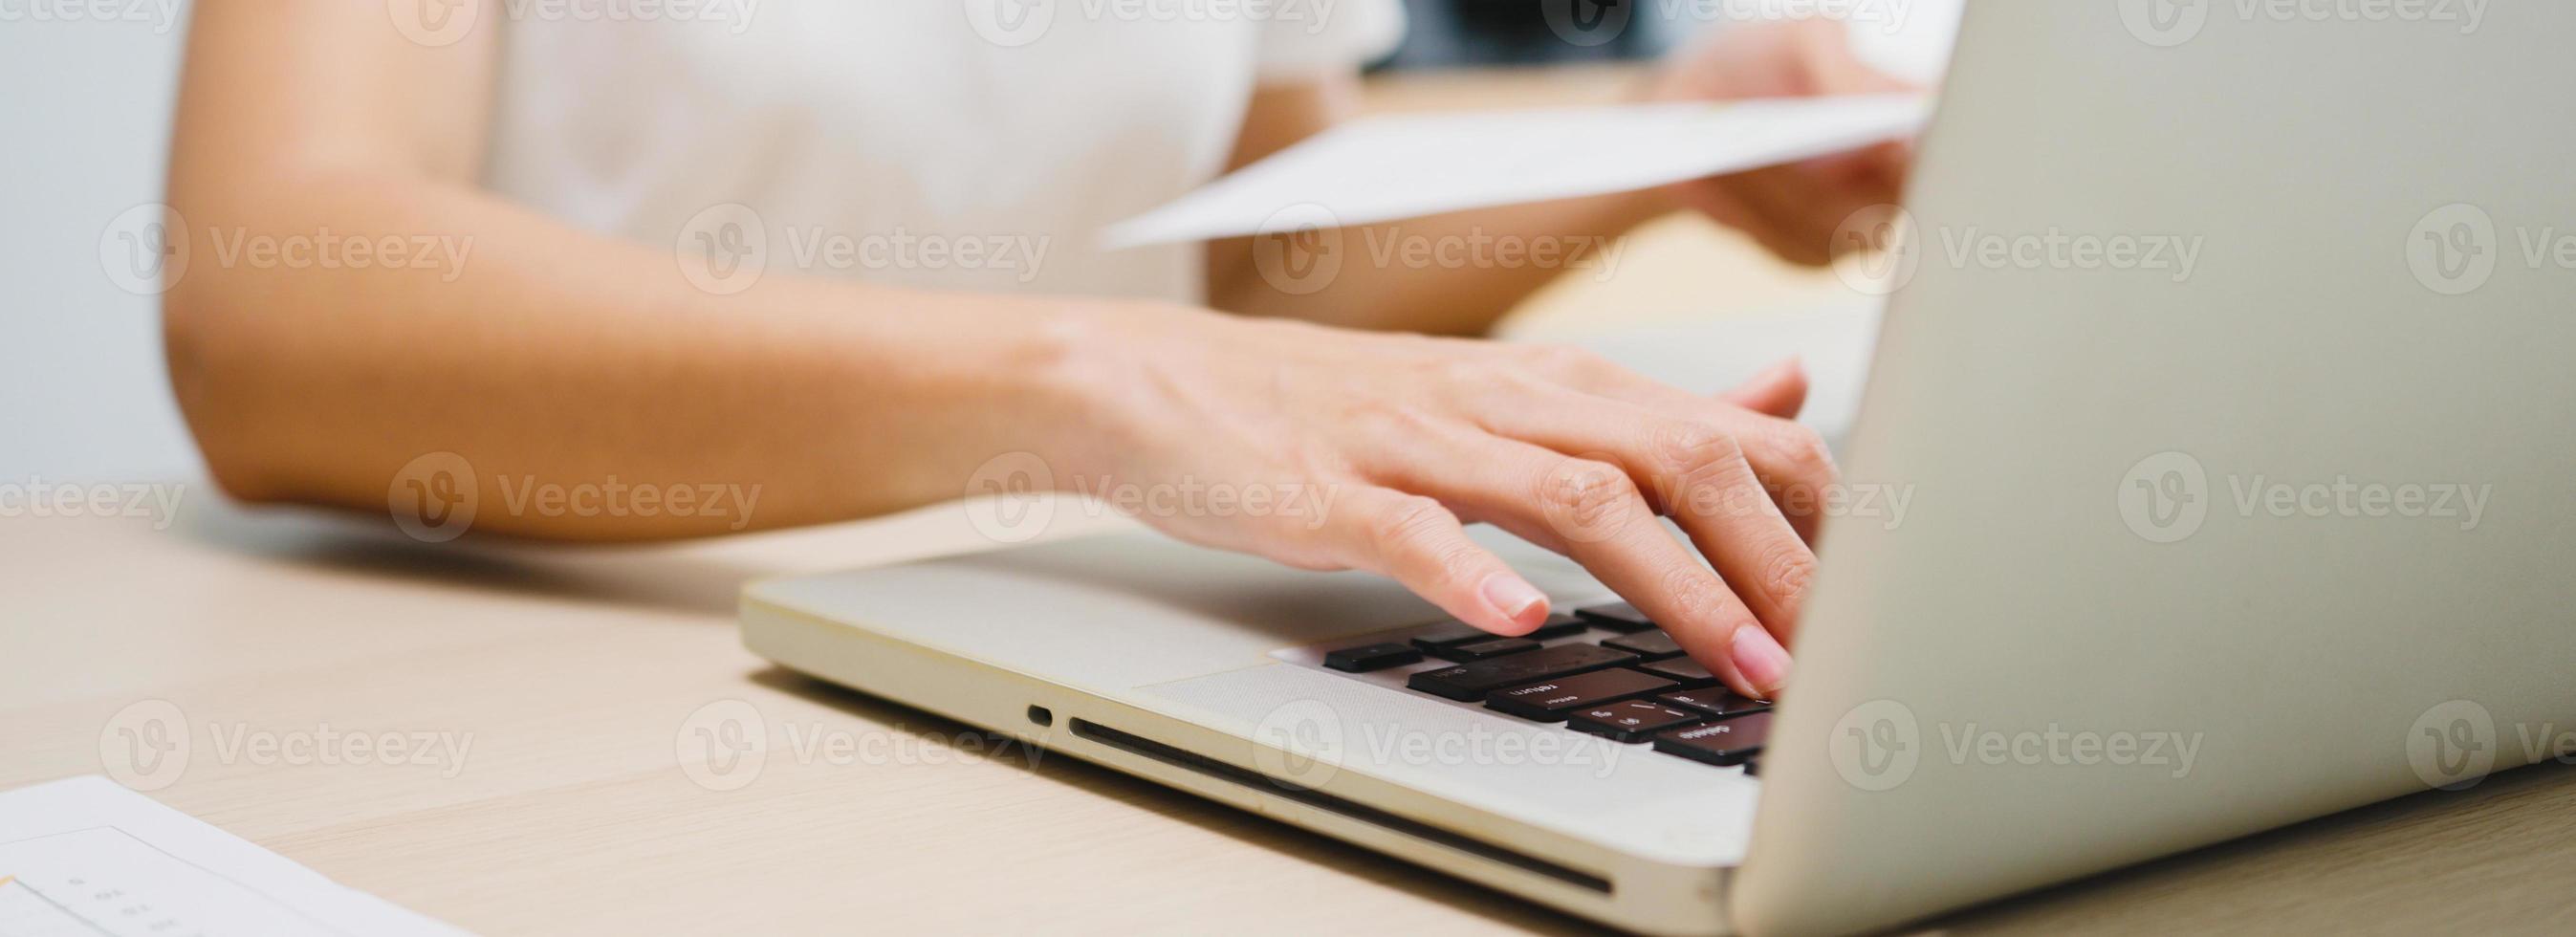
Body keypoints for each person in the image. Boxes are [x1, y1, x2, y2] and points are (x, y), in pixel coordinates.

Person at [161, 1, 1912, 700]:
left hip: (1043, 624)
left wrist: (1667, 135)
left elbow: (1262, 277)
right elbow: (271, 296)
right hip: (560, 640)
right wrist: (1096, 382)